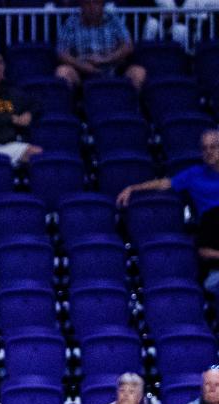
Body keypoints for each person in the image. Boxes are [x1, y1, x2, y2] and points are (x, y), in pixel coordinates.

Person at [117, 129, 219, 296]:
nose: (208, 152)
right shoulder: (194, 174)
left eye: (214, 147)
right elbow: (165, 183)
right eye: (205, 148)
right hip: (213, 226)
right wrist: (133, 188)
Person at [55, 0, 147, 91]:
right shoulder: (71, 23)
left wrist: (106, 59)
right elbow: (62, 53)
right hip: (82, 72)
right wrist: (83, 65)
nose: (92, 7)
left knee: (138, 72)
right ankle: (72, 104)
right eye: (87, 3)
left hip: (113, 70)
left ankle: (130, 104)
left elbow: (128, 46)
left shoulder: (114, 20)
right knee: (63, 72)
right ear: (81, 5)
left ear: (103, 5)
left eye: (96, 3)